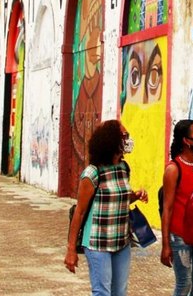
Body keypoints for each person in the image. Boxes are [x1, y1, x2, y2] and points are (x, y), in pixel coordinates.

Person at [64, 119, 149, 296]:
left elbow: (117, 199)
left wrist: (136, 196)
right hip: (97, 243)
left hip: (121, 242)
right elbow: (79, 213)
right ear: (111, 140)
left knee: (120, 292)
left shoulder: (123, 168)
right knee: (102, 292)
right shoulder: (92, 174)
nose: (128, 140)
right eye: (124, 136)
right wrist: (71, 250)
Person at [160, 119, 193, 295]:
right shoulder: (174, 169)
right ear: (186, 140)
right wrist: (166, 245)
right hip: (180, 235)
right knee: (185, 283)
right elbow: (167, 208)